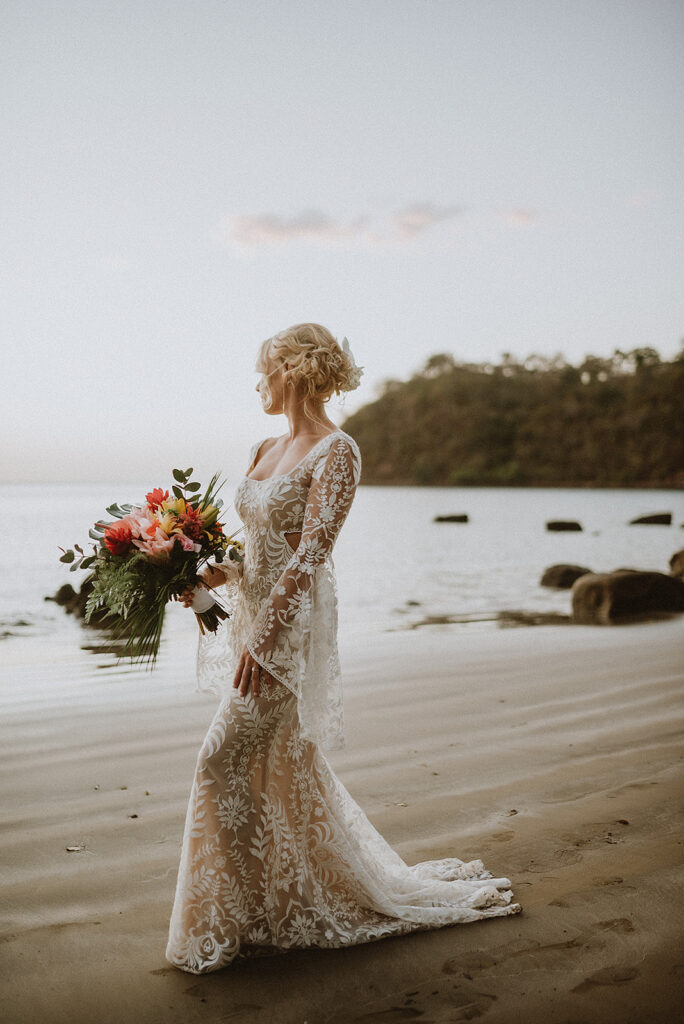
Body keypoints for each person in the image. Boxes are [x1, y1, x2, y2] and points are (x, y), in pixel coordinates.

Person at [166, 323, 521, 974]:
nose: (258, 383)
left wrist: (270, 635)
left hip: (288, 635)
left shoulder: (338, 451)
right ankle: (270, 907)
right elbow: (262, 551)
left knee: (219, 761)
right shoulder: (262, 448)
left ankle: (223, 922)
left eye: (265, 370)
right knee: (279, 767)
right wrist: (217, 576)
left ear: (294, 370)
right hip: (253, 619)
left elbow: (310, 553)